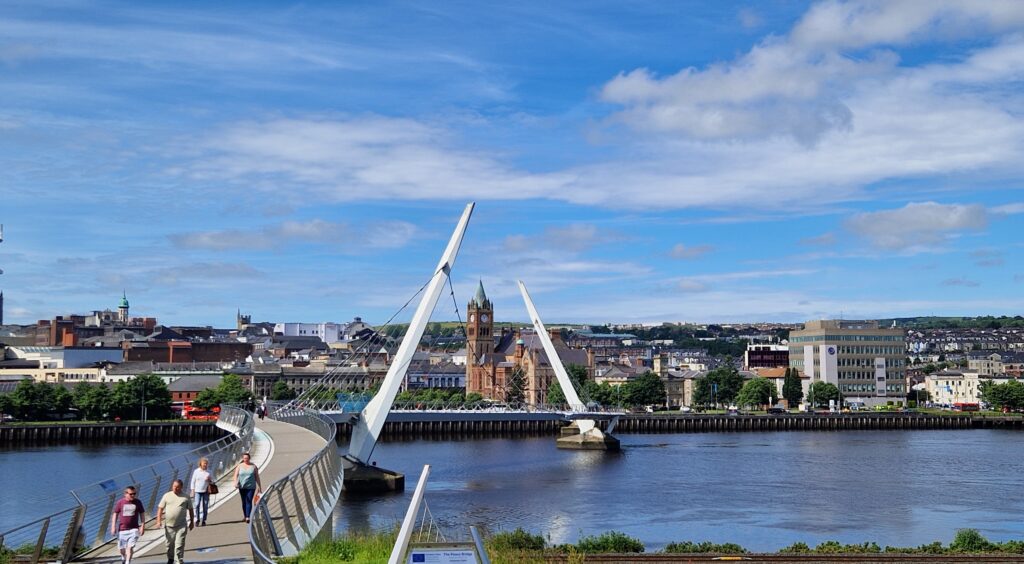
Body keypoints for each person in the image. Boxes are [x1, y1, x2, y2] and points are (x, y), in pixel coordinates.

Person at [156, 479, 194, 564]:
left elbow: (191, 510)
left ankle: (179, 561)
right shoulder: (167, 496)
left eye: (177, 487)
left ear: (181, 487)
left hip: (181, 525)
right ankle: (170, 559)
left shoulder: (186, 497)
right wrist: (158, 521)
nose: (175, 488)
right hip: (169, 526)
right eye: (174, 486)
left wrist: (192, 521)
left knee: (179, 545)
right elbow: (160, 508)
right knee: (169, 545)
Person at [110, 486, 145, 564]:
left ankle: (127, 562)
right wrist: (113, 526)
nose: (133, 495)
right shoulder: (120, 502)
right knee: (121, 549)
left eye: (134, 494)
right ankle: (123, 557)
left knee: (130, 547)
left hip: (134, 529)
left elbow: (142, 513)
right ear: (125, 494)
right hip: (122, 529)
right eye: (131, 494)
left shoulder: (138, 502)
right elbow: (115, 513)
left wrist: (142, 526)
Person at [232, 452, 262, 523]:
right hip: (242, 486)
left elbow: (257, 477)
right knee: (244, 501)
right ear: (243, 459)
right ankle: (245, 516)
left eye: (247, 458)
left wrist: (259, 486)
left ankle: (248, 517)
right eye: (244, 458)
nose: (246, 459)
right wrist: (235, 482)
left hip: (251, 486)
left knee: (249, 500)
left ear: (249, 458)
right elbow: (235, 475)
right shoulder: (239, 466)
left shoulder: (253, 466)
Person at [189, 457, 212, 526]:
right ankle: (197, 519)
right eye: (204, 463)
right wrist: (192, 490)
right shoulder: (196, 471)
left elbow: (213, 481)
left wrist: (210, 480)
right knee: (197, 504)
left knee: (205, 506)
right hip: (197, 491)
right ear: (200, 464)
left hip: (206, 491)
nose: (205, 464)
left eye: (206, 463)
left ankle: (204, 520)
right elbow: (193, 481)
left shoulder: (209, 471)